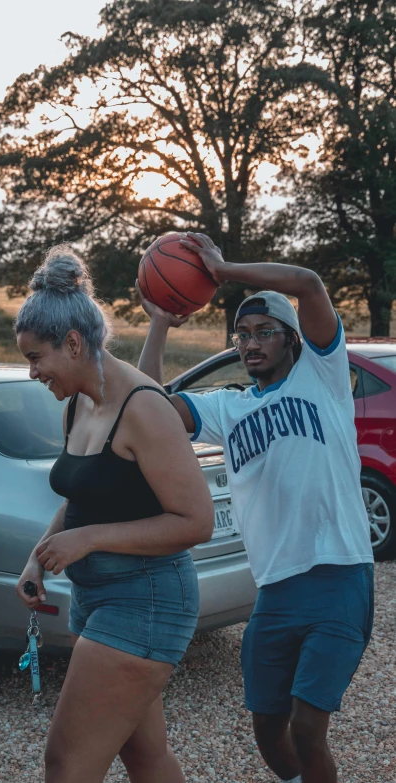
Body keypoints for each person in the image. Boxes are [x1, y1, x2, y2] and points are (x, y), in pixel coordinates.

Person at [137, 232, 374, 783]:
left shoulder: (324, 378)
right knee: (268, 729)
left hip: (340, 577)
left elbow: (308, 284)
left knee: (309, 728)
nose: (251, 343)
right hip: (273, 588)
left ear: (292, 340)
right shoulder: (228, 408)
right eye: (241, 335)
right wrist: (160, 322)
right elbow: (146, 404)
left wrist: (221, 269)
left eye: (264, 332)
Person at [15, 245, 214, 783]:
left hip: (146, 602)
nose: (33, 372)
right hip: (97, 600)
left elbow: (196, 522)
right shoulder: (78, 401)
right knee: (144, 757)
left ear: (74, 343)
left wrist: (90, 541)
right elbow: (81, 498)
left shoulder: (144, 408)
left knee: (66, 764)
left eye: (36, 358)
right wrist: (39, 556)